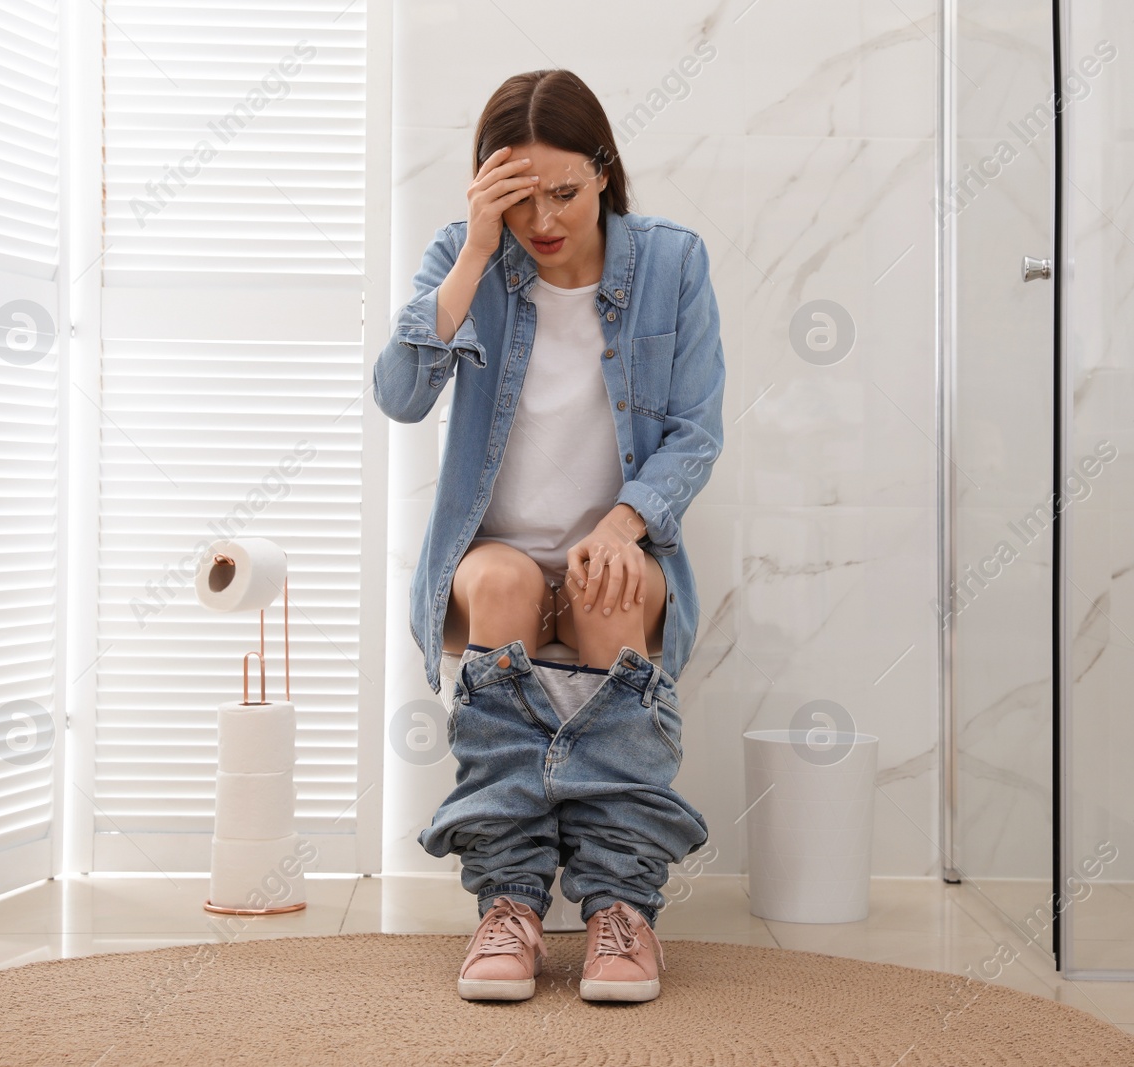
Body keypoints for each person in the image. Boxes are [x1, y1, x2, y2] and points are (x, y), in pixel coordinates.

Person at [372, 68, 725, 1004]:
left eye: (563, 192)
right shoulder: (470, 256)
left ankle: (620, 907)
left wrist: (624, 521)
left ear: (604, 172)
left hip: (616, 544)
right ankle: (510, 901)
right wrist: (471, 257)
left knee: (609, 584)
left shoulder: (673, 264)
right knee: (499, 585)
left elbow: (695, 429)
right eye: (518, 200)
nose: (544, 221)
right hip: (500, 557)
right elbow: (400, 397)